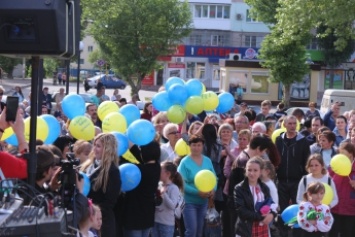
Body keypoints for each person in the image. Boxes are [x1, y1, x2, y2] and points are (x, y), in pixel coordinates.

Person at [275, 115, 310, 237]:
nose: (292, 126)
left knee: (298, 211)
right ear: (284, 124)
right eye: (289, 123)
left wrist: (305, 180)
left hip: (298, 182)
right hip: (282, 181)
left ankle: (297, 234)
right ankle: (283, 234)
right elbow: (275, 159)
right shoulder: (279, 140)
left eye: (294, 123)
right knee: (283, 212)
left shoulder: (303, 141)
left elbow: (307, 162)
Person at [80, 133, 121, 237]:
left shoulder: (112, 171)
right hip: (85, 221)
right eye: (94, 145)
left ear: (108, 149)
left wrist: (92, 211)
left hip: (101, 225)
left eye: (98, 146)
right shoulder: (88, 165)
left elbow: (109, 203)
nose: (94, 149)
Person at [177, 135, 216, 237]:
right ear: (189, 146)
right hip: (189, 202)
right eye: (194, 145)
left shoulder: (207, 160)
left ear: (203, 146)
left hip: (204, 202)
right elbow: (181, 183)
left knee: (200, 231)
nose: (196, 148)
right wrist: (197, 192)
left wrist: (213, 190)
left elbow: (214, 178)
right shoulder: (184, 162)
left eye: (199, 145)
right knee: (191, 231)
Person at [122, 141, 161, 237]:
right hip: (148, 213)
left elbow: (134, 161)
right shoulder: (157, 167)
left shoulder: (139, 169)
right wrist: (134, 147)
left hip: (134, 213)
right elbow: (141, 158)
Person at [234, 157, 277, 237]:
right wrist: (261, 216)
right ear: (245, 171)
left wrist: (272, 214)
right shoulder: (239, 188)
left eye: (255, 170)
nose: (252, 173)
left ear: (260, 171)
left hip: (262, 228)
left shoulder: (264, 187)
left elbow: (271, 204)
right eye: (249, 170)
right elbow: (241, 211)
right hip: (246, 229)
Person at [329, 141, 355, 237]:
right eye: (340, 153)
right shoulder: (334, 167)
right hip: (335, 209)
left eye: (344, 154)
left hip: (351, 210)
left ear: (351, 153)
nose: (341, 156)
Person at [153, 161, 184, 237]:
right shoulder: (158, 185)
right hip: (155, 222)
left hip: (166, 224)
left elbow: (172, 206)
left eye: (160, 170)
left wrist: (164, 194)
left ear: (168, 174)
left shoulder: (174, 188)